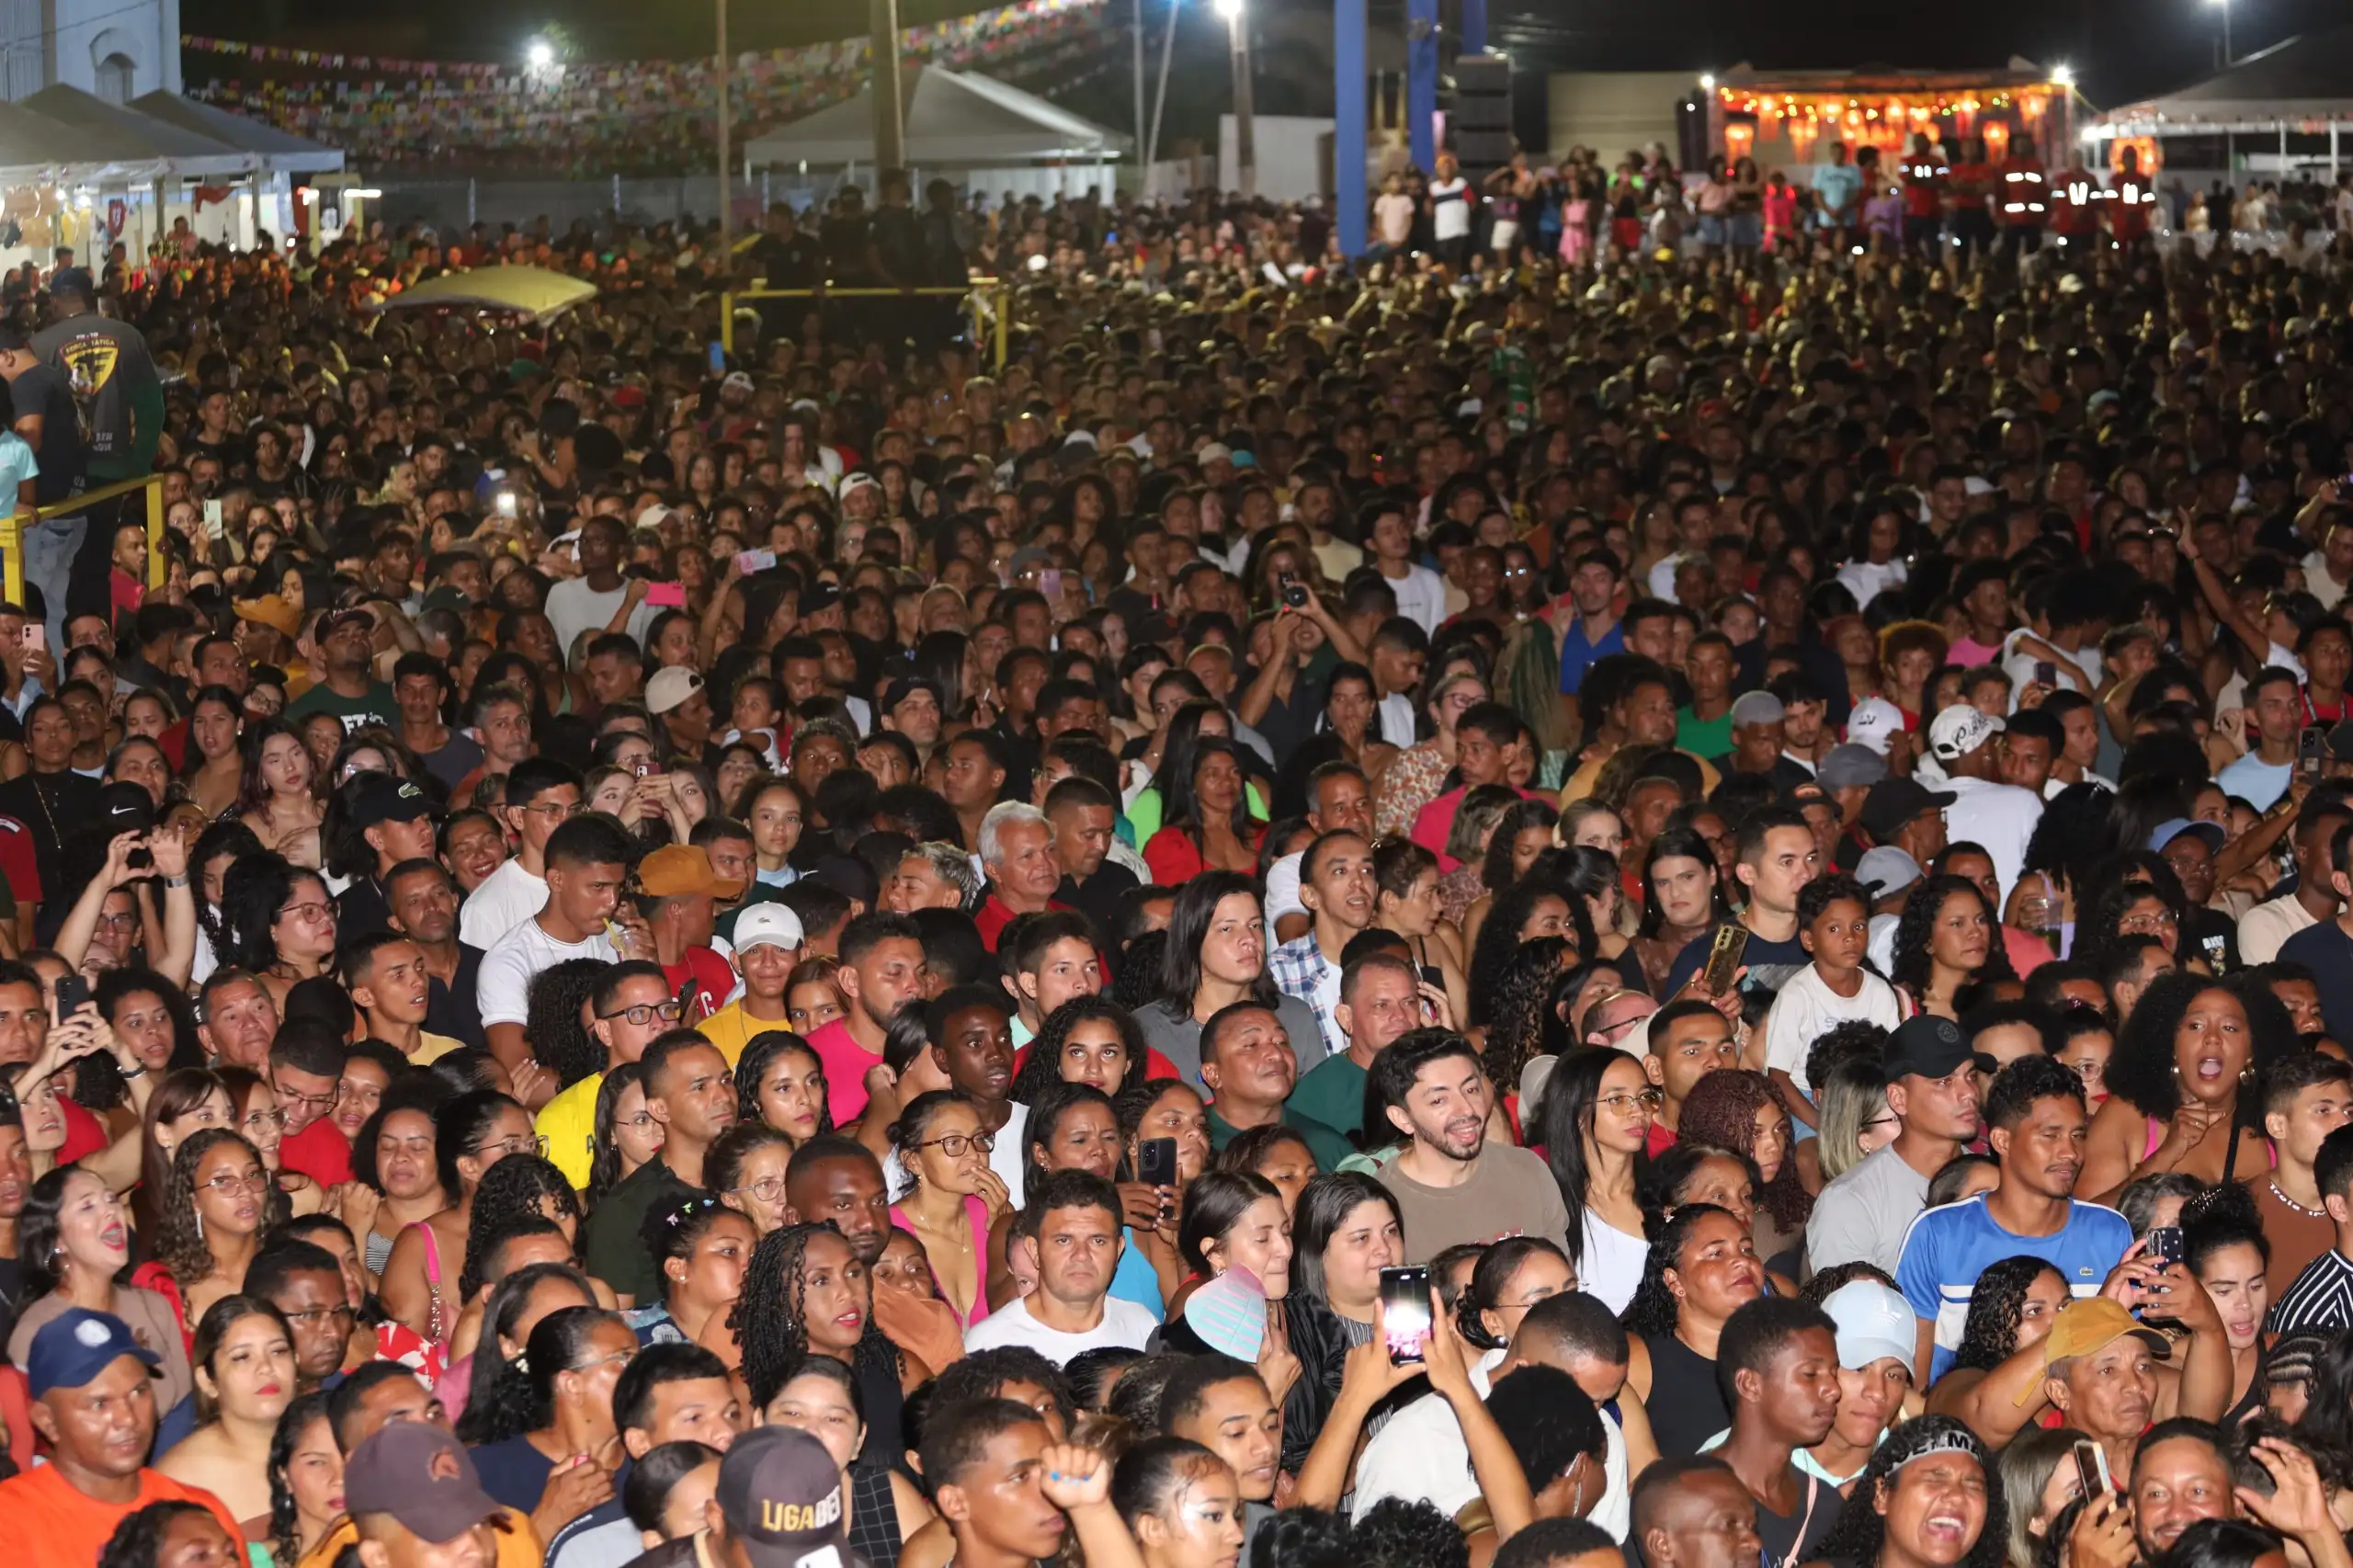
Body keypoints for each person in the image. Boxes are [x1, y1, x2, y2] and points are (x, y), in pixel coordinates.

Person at [1895, 1055, 2132, 1380]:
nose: (2070, 1153)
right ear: (2002, 1141)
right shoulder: (1938, 1233)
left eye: (2078, 1135)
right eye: (2050, 1135)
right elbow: (1911, 1375)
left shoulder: (2110, 1232)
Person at [0, 1307, 242, 1562]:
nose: (128, 1418)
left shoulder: (199, 1513)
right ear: (48, 1421)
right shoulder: (10, 1519)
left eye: (138, 1392)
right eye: (99, 1404)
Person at [1808, 1016, 1985, 1278]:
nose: (1969, 1092)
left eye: (1971, 1076)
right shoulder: (1851, 1201)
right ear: (1898, 1098)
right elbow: (1848, 1312)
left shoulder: (1996, 1178)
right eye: (1945, 1081)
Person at [1372, 1028, 1568, 1262]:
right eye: (1438, 1100)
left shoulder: (1528, 1170)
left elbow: (1562, 1283)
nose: (1466, 1109)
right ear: (1403, 1119)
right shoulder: (1382, 1206)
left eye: (1471, 1089)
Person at [478, 812, 636, 1099]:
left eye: (618, 887)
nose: (612, 902)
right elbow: (521, 1077)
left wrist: (645, 968)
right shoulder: (510, 960)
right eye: (598, 887)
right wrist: (621, 1093)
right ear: (556, 880)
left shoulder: (623, 942)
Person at [583, 1032, 738, 1306]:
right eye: (700, 1087)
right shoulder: (625, 1210)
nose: (723, 1096)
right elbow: (618, 1326)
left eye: (726, 1080)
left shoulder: (759, 1175)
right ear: (660, 1110)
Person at [962, 1169, 1157, 1362]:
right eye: (1064, 1240)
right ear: (1034, 1250)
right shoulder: (990, 1345)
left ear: (1119, 1249)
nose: (1081, 1255)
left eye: (1097, 1241)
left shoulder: (1142, 1326)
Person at [1709, 1297, 1845, 1567]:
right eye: (1810, 1374)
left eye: (1834, 1372)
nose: (1834, 1389)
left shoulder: (1826, 1508)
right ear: (1749, 1384)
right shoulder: (1687, 1500)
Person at [1759, 873, 1901, 1128]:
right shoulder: (1797, 995)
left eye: (1858, 926)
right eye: (1834, 929)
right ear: (1808, 939)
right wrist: (1821, 1125)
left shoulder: (1880, 992)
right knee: (1810, 1159)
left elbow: (1892, 1061)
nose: (1849, 938)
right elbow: (1778, 1076)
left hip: (1868, 1096)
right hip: (1807, 1101)